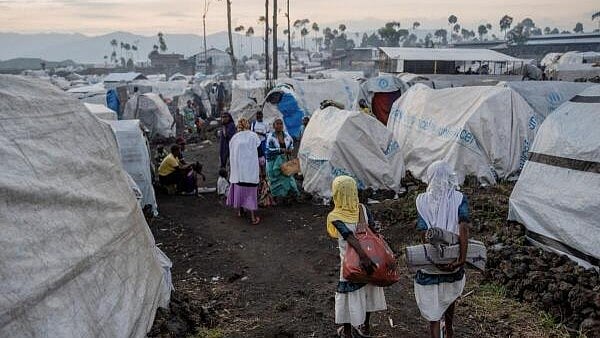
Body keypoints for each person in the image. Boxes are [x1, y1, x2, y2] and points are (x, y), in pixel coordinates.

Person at [414, 161, 470, 338]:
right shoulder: (459, 198)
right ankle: (450, 329)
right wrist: (461, 257)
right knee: (449, 294)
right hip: (453, 257)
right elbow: (464, 228)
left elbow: (424, 233)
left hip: (431, 260)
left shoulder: (422, 201)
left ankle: (437, 332)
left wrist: (435, 256)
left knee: (433, 309)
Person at [327, 175, 387, 338]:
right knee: (368, 292)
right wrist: (369, 257)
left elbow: (348, 236)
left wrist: (362, 257)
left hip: (350, 264)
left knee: (347, 297)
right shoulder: (363, 210)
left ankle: (347, 332)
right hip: (370, 259)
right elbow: (373, 229)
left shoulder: (335, 216)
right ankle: (365, 327)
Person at [227, 118, 262, 225]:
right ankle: (252, 218)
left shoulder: (234, 138)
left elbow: (231, 155)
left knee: (240, 190)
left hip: (238, 172)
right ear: (248, 125)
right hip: (250, 171)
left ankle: (240, 211)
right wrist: (263, 168)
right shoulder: (253, 136)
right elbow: (260, 153)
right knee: (250, 193)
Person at [266, 118, 299, 204]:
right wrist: (281, 150)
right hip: (273, 162)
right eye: (277, 124)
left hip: (284, 161)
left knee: (287, 177)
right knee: (274, 180)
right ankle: (275, 198)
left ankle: (288, 196)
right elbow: (268, 149)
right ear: (274, 126)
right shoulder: (271, 137)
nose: (280, 126)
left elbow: (291, 144)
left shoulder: (287, 135)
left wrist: (290, 150)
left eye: (281, 124)